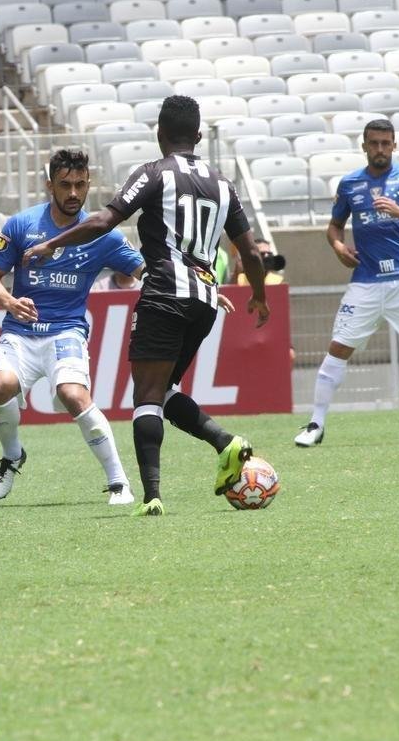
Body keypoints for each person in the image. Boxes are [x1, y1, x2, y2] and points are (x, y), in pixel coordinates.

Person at [22, 96, 272, 517]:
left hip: (164, 295)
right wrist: (260, 296)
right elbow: (249, 250)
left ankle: (152, 496)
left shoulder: (154, 173)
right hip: (204, 301)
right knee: (166, 389)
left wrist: (52, 244)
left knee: (147, 396)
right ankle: (225, 443)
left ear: (160, 133)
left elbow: (104, 221)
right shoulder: (222, 184)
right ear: (198, 135)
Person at [0, 149, 145, 506]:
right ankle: (12, 455)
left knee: (73, 394)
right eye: (65, 185)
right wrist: (10, 302)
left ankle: (119, 482)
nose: (73, 193)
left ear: (89, 184)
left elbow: (144, 271)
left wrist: (191, 285)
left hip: (66, 332)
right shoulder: (21, 225)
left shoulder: (103, 235)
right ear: (49, 186)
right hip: (20, 332)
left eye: (80, 185)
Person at [294, 118, 399, 447]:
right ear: (364, 146)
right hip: (365, 282)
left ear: (394, 145)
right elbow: (334, 226)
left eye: (386, 143)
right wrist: (338, 247)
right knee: (338, 347)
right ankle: (316, 424)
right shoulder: (350, 183)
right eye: (374, 143)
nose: (380, 149)